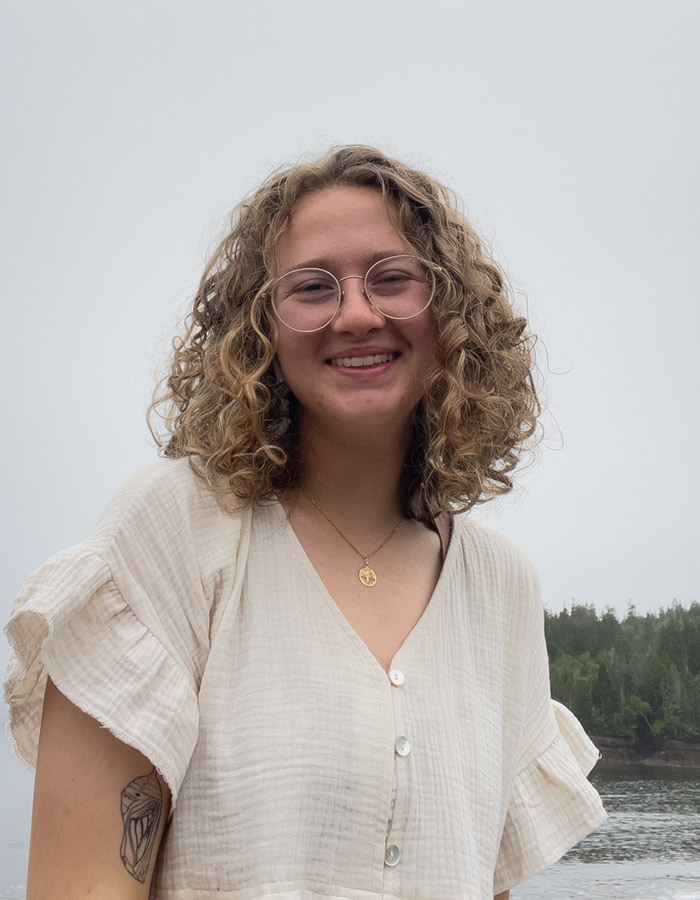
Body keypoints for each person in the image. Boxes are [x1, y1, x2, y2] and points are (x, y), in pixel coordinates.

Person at [4, 145, 606, 900]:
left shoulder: (502, 587)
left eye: (392, 278)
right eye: (313, 287)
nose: (356, 314)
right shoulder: (170, 533)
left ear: (451, 312)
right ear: (259, 328)